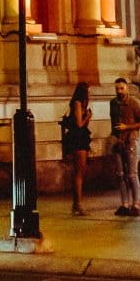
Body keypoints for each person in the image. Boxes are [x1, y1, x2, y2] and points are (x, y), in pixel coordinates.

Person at [109, 80, 140, 217]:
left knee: (131, 174)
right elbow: (113, 122)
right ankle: (124, 204)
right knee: (120, 175)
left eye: (121, 88)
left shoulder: (134, 103)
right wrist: (114, 138)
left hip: (131, 140)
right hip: (118, 142)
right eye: (117, 89)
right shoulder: (113, 103)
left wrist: (128, 127)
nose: (119, 91)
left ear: (127, 89)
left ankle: (136, 204)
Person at [59, 84, 93, 214]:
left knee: (80, 172)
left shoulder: (81, 104)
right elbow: (79, 124)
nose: (90, 95)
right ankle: (78, 204)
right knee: (79, 173)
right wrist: (88, 117)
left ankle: (76, 204)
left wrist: (87, 118)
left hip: (81, 137)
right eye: (88, 92)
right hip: (78, 138)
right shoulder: (78, 103)